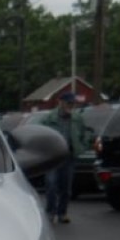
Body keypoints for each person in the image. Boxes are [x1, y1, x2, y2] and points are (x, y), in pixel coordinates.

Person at [40, 92, 89, 224]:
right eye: (68, 103)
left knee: (66, 187)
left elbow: (85, 135)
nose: (71, 106)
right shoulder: (49, 118)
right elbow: (40, 134)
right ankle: (50, 212)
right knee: (51, 184)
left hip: (69, 156)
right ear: (60, 102)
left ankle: (63, 213)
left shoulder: (77, 118)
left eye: (72, 103)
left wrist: (81, 147)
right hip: (53, 157)